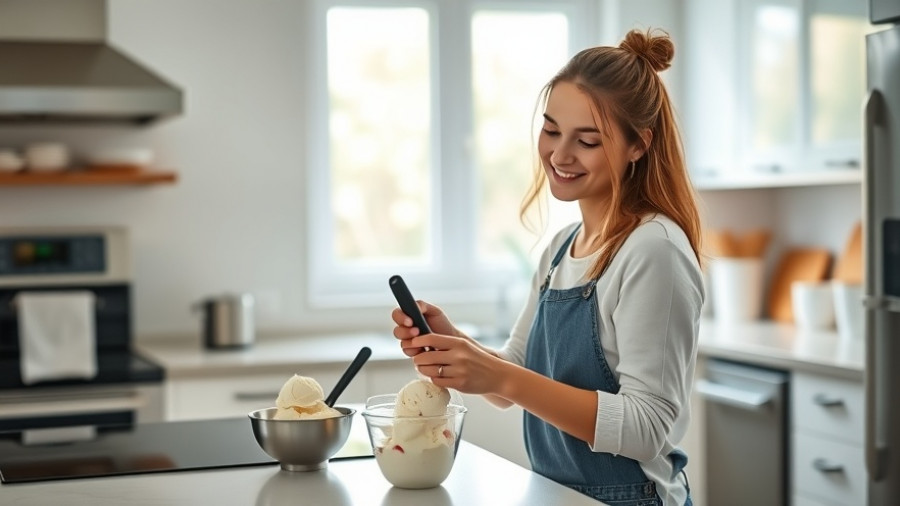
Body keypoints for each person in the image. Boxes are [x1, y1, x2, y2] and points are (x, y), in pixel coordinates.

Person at [391, 28, 704, 506]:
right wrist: (457, 347)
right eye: (551, 129)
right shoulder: (562, 248)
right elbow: (515, 374)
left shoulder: (652, 250)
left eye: (588, 141)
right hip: (557, 494)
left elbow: (647, 427)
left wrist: (501, 378)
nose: (559, 155)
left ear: (638, 145)